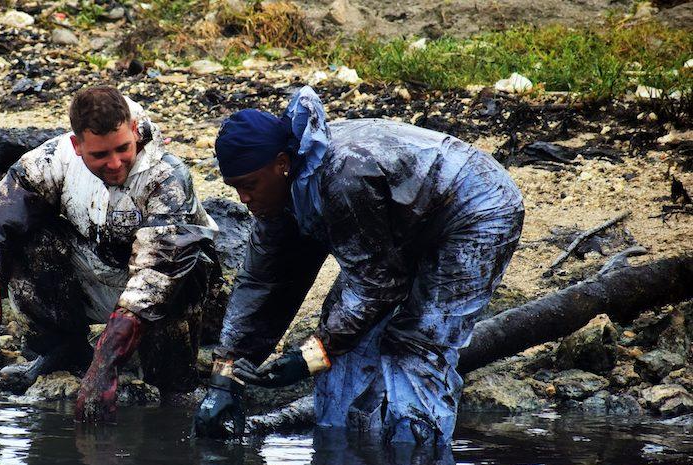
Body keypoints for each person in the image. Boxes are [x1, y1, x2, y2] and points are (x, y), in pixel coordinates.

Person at [193, 86, 524, 445]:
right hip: (402, 218)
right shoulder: (276, 199)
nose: (243, 199)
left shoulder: (343, 178)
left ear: (282, 164)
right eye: (234, 188)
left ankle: (417, 463)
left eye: (250, 185)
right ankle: (341, 450)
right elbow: (261, 284)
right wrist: (224, 380)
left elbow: (376, 285)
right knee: (341, 332)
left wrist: (306, 359)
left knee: (416, 341)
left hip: (475, 210)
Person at [0, 86, 218, 421]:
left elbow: (158, 272)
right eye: (100, 155)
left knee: (188, 267)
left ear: (135, 132)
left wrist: (107, 359)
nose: (115, 163)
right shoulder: (52, 160)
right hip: (97, 268)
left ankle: (171, 384)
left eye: (124, 148)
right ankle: (64, 350)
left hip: (170, 291)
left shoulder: (166, 176)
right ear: (77, 146)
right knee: (28, 238)